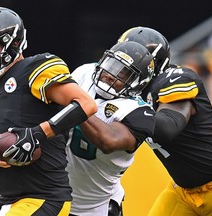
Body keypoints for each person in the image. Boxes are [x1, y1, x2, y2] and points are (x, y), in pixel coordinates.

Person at [0, 7, 97, 216]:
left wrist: (36, 133)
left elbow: (87, 104)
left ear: (14, 42)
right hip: (12, 201)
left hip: (44, 197)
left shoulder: (34, 69)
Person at [119, 26, 212, 216]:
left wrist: (126, 111)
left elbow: (168, 127)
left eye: (130, 62)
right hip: (182, 190)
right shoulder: (131, 93)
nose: (121, 70)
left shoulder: (176, 79)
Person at [66, 41, 156, 216]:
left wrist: (73, 102)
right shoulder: (85, 72)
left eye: (123, 72)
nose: (110, 74)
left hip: (94, 208)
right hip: (54, 196)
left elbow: (108, 140)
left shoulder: (139, 113)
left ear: (138, 83)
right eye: (111, 65)